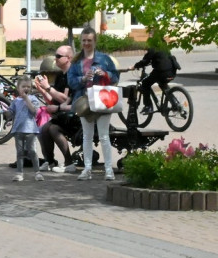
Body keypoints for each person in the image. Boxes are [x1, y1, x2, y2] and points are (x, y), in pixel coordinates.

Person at [67, 26, 118, 181]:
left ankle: (109, 170)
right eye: (84, 40)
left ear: (95, 41)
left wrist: (105, 74)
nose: (86, 43)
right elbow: (71, 82)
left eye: (89, 40)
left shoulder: (104, 59)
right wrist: (83, 79)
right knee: (87, 136)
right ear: (80, 41)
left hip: (102, 99)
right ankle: (87, 169)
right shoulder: (76, 61)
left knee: (103, 136)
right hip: (85, 101)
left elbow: (115, 77)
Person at [33, 45, 77, 172]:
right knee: (43, 128)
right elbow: (53, 100)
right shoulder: (60, 75)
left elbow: (64, 99)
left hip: (74, 114)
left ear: (68, 58)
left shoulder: (72, 75)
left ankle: (69, 163)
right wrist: (42, 91)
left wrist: (48, 88)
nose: (55, 59)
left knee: (52, 128)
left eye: (58, 56)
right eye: (55, 56)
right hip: (63, 114)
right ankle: (50, 161)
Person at [7, 76, 44, 182]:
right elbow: (11, 112)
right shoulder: (15, 101)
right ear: (18, 88)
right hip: (18, 130)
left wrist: (26, 99)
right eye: (23, 86)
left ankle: (37, 172)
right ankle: (19, 173)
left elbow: (34, 112)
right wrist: (5, 113)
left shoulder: (33, 99)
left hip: (30, 130)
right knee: (20, 152)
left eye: (28, 87)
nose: (26, 88)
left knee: (32, 151)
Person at [130, 46, 176, 114]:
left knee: (145, 83)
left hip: (161, 71)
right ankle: (175, 103)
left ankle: (148, 106)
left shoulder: (153, 46)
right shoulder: (163, 44)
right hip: (172, 71)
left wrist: (135, 66)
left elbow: (146, 61)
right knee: (162, 84)